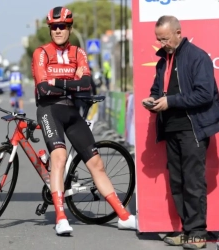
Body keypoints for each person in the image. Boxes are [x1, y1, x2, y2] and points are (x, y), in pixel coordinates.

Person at [31, 6, 136, 236]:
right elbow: (42, 88)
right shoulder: (41, 52)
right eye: (54, 27)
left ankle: (124, 216)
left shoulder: (79, 53)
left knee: (97, 164)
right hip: (48, 110)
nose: (57, 31)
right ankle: (60, 218)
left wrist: (57, 82)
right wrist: (70, 82)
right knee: (58, 157)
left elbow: (86, 84)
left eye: (62, 27)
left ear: (69, 28)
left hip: (71, 112)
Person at [142, 15, 219, 249]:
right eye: (158, 39)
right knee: (177, 182)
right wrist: (153, 99)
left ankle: (197, 234)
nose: (161, 43)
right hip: (171, 128)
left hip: (192, 128)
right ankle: (187, 232)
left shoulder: (197, 57)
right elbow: (158, 89)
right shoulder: (162, 61)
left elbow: (206, 94)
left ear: (178, 33)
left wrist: (170, 101)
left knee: (193, 182)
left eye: (164, 38)